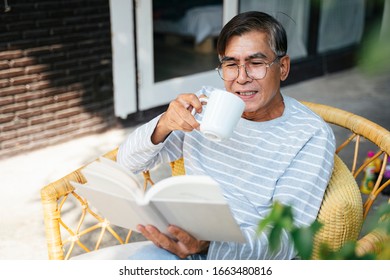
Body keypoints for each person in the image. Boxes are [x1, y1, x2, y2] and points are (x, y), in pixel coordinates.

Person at [117, 11, 336, 260]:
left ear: (283, 67)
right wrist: (164, 123)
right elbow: (128, 162)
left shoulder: (309, 134)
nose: (241, 78)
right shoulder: (205, 106)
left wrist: (209, 246)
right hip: (180, 246)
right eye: (231, 64)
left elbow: (286, 239)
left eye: (256, 63)